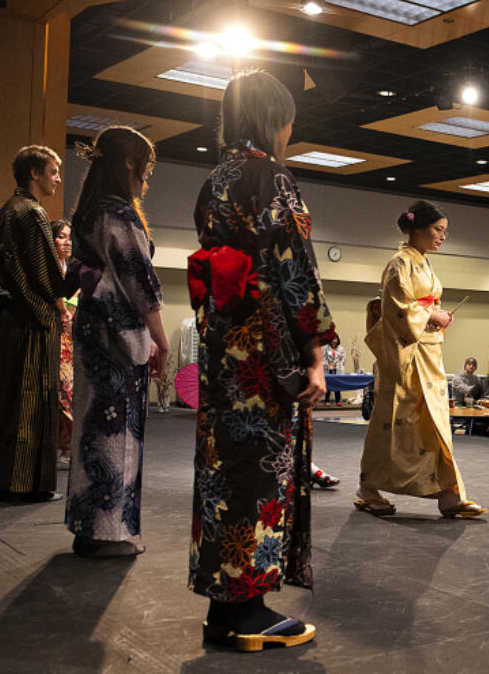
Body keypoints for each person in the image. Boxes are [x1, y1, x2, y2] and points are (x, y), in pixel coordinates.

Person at [188, 70, 331, 651]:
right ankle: (251, 611)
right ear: (274, 119)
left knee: (224, 470)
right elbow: (295, 268)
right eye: (289, 121)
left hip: (225, 344)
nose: (290, 132)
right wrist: (316, 353)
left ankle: (226, 607)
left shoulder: (213, 181)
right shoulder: (270, 177)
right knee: (264, 469)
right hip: (267, 350)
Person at [63, 127, 167, 558]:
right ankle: (107, 531)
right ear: (129, 164)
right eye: (145, 166)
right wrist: (160, 337)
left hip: (92, 328)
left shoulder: (89, 214)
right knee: (116, 433)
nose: (146, 176)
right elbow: (139, 281)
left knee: (91, 427)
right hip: (118, 335)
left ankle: (87, 525)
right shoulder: (119, 217)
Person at [358, 200, 486, 519]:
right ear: (417, 229)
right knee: (394, 423)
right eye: (437, 230)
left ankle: (448, 492)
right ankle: (369, 487)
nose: (442, 236)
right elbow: (396, 308)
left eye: (444, 231)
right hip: (406, 356)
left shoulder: (423, 263)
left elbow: (420, 305)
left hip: (427, 352)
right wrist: (433, 313)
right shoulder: (399, 263)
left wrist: (436, 315)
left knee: (436, 421)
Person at [0, 145, 68, 504]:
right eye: (53, 171)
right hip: (31, 318)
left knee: (8, 398)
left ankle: (6, 480)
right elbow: (43, 272)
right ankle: (23, 483)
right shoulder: (30, 212)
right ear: (34, 173)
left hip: (12, 316)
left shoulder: (8, 211)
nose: (57, 178)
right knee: (30, 398)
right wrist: (58, 302)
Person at [51, 220, 76, 470]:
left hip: (71, 341)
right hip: (53, 337)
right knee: (60, 392)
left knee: (70, 392)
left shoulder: (72, 269)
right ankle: (59, 447)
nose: (67, 241)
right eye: (61, 236)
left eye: (69, 237)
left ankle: (66, 446)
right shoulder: (49, 268)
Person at [321, 332, 345, 406]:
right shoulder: (325, 348)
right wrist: (328, 365)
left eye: (335, 339)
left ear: (338, 340)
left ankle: (338, 401)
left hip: (337, 369)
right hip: (328, 369)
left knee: (337, 385)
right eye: (332, 339)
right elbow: (323, 359)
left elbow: (343, 359)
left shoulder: (341, 349)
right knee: (328, 385)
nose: (334, 341)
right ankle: (327, 401)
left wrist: (336, 364)